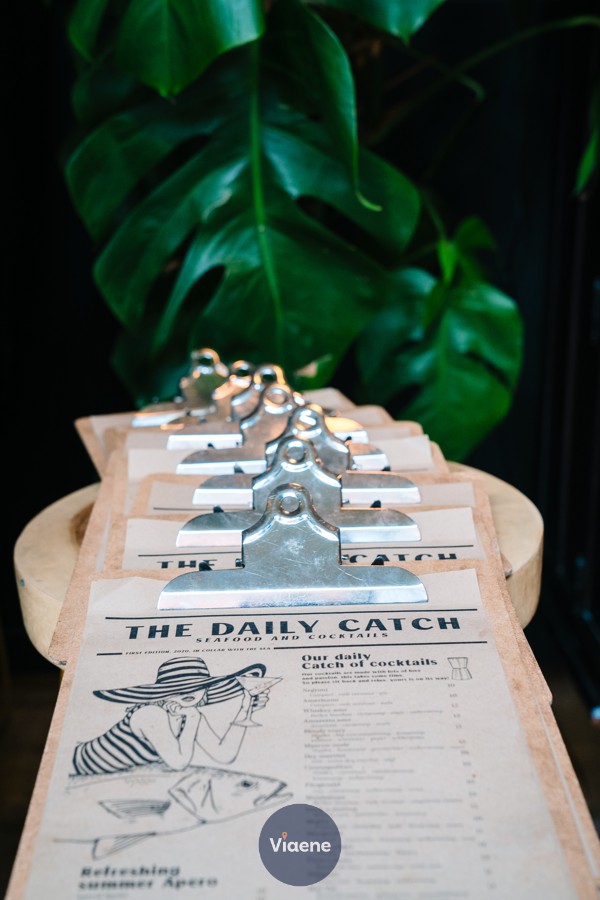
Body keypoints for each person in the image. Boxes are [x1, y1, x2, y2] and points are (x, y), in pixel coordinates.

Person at [72, 657, 269, 776]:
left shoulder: (188, 713)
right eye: (177, 688)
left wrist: (246, 710)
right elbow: (178, 763)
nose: (188, 692)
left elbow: (223, 755)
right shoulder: (151, 713)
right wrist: (192, 719)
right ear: (163, 693)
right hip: (79, 764)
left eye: (198, 686)